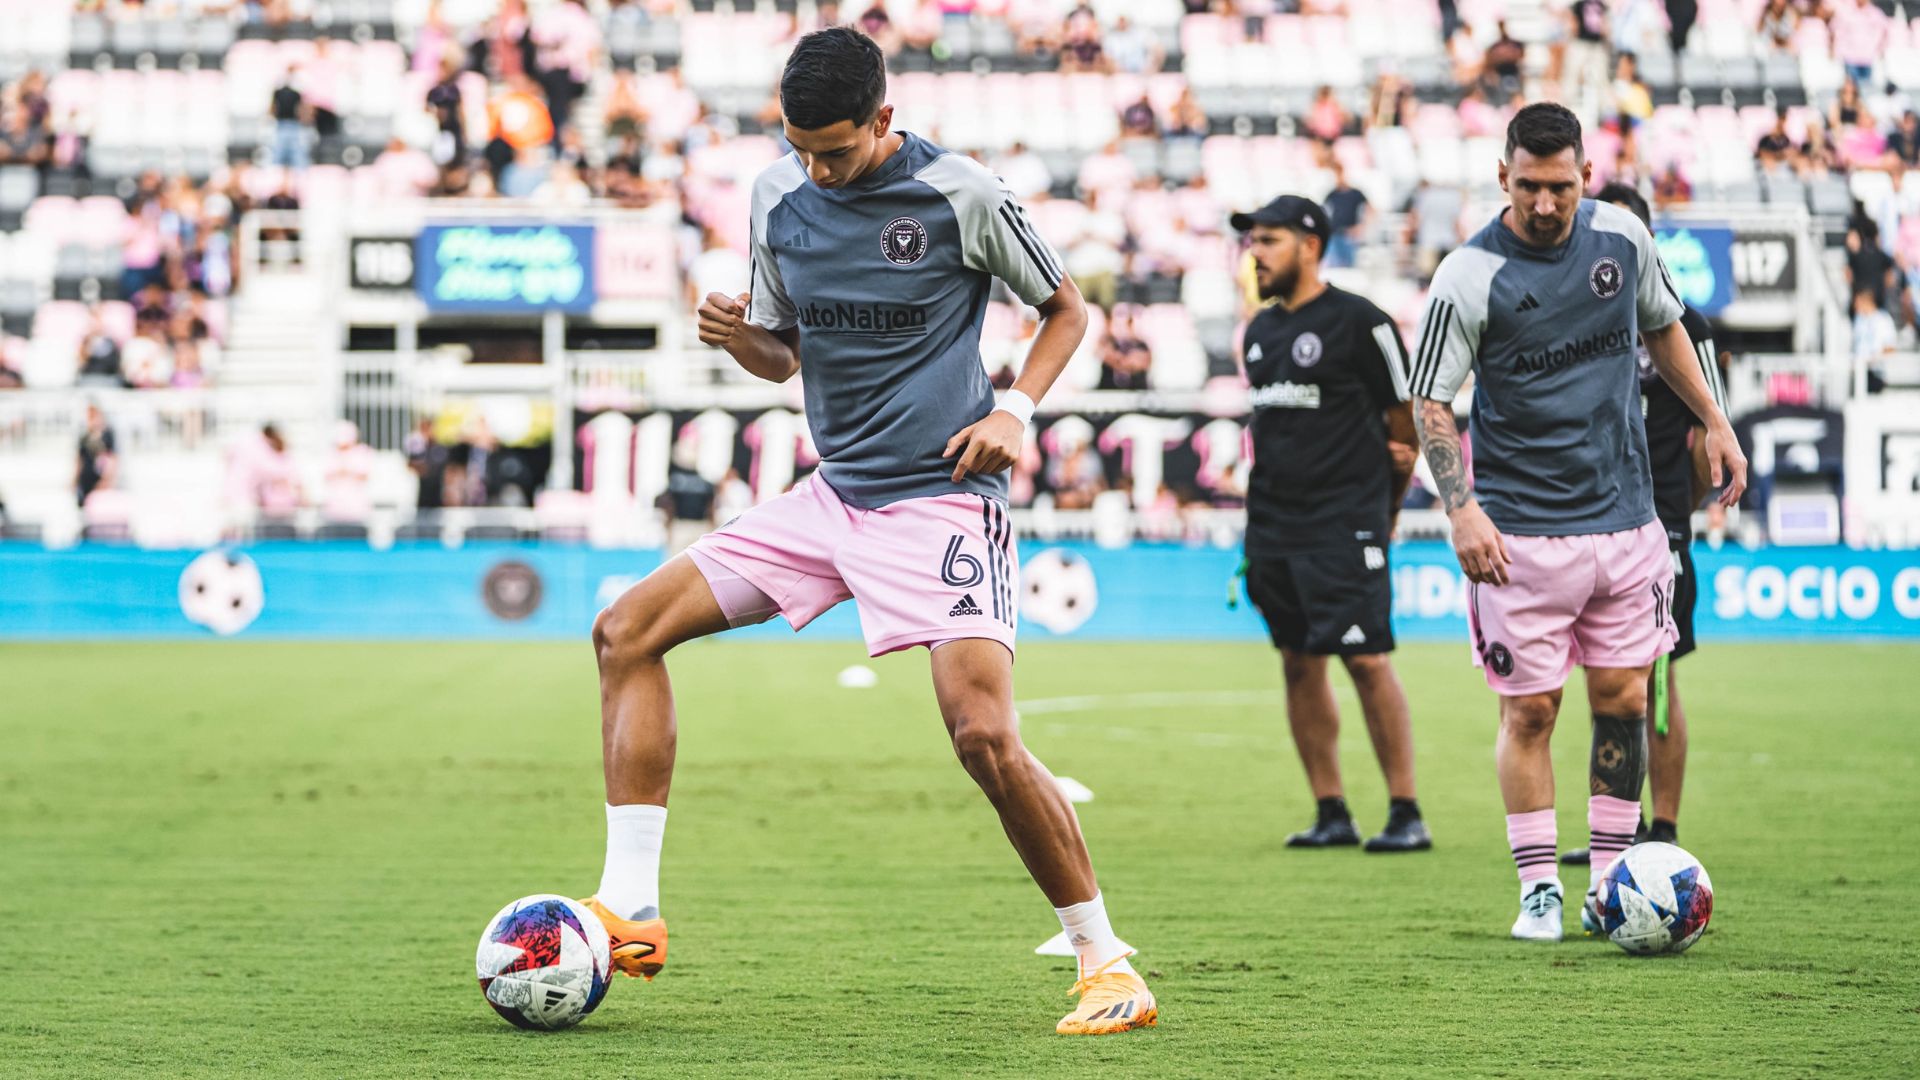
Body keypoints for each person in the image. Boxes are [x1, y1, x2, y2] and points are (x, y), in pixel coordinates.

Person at [582, 28, 1156, 1036]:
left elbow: (1067, 312)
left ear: (885, 121)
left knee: (981, 735)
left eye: (837, 151)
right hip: (831, 496)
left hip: (940, 497)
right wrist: (737, 338)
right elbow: (784, 360)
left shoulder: (961, 194)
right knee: (625, 630)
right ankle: (629, 906)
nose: (817, 168)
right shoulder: (777, 197)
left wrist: (1015, 410)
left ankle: (1105, 961)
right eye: (800, 147)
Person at [1408, 103, 1746, 942]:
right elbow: (1430, 400)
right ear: (1503, 178)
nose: (1547, 204)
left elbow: (1664, 330)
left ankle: (1607, 881)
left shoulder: (1624, 240)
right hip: (1519, 536)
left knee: (1624, 700)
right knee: (1531, 713)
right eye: (1529, 187)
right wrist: (1462, 510)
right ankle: (1537, 890)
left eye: (1561, 186)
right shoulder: (1467, 275)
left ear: (1586, 176)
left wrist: (1716, 420)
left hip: (1629, 524)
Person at [1231, 195, 1430, 853]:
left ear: (1309, 245)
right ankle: (1331, 810)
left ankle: (1405, 810)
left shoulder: (1361, 322)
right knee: (1297, 661)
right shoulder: (1259, 331)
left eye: (1268, 240)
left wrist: (1384, 511)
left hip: (1345, 522)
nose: (1255, 252)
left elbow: (1405, 431)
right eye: (1252, 241)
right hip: (1273, 526)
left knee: (1367, 659)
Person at [1560, 184, 1727, 868]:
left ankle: (1663, 829)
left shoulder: (1689, 327)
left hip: (1659, 525)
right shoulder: (1573, 318)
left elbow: (1708, 432)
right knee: (1609, 679)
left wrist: (1679, 518)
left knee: (1655, 679)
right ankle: (1619, 831)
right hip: (1584, 522)